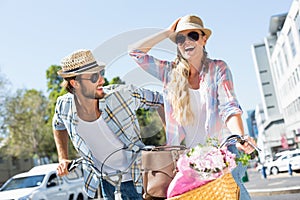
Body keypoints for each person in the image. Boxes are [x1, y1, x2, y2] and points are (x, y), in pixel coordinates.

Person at [129, 14, 256, 199]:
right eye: (180, 38)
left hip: (222, 153)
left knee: (235, 194)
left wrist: (241, 136)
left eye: (193, 35)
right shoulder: (169, 72)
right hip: (187, 161)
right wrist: (166, 33)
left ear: (204, 39)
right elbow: (135, 53)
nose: (186, 41)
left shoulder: (218, 68)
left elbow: (229, 106)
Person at [52, 49, 164, 200]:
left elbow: (161, 100)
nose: (101, 80)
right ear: (75, 83)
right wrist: (62, 158)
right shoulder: (64, 106)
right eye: (93, 77)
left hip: (139, 178)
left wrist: (169, 143)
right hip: (106, 183)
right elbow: (58, 125)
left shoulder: (121, 95)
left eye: (100, 73)